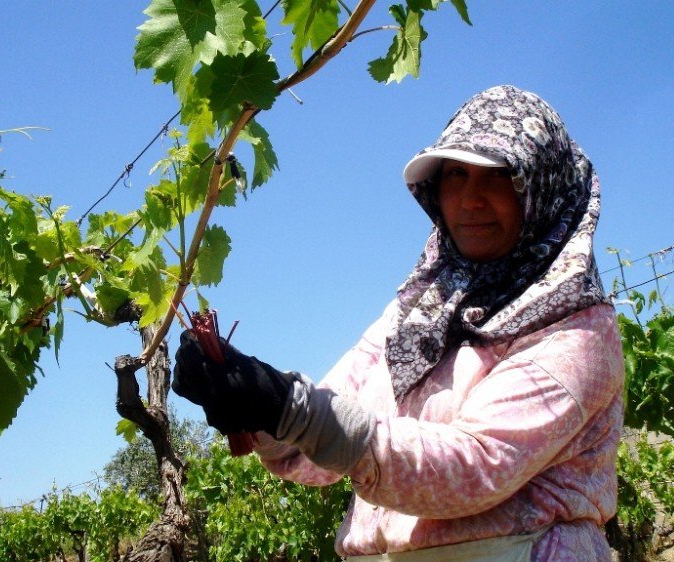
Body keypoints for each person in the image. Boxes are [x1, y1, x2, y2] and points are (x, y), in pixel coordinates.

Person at [172, 85, 624, 561]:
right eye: (455, 175)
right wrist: (257, 405)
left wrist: (295, 409)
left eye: (498, 176)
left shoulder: (578, 330)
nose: (470, 200)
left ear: (542, 188)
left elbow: (473, 467)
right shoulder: (419, 312)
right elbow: (321, 442)